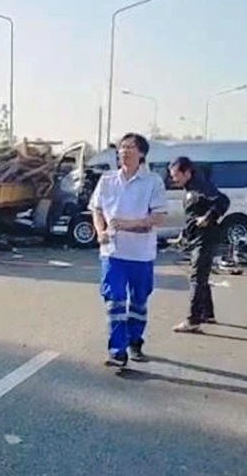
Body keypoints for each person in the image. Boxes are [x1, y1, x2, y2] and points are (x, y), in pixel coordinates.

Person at [88, 132, 168, 367]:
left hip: (141, 254)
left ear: (141, 153)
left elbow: (158, 217)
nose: (124, 151)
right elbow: (97, 209)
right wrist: (100, 231)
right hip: (113, 252)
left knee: (139, 301)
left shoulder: (153, 182)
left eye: (130, 147)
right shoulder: (107, 180)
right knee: (115, 299)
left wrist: (126, 224)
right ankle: (117, 351)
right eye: (122, 147)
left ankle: (135, 341)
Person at [168, 156, 229, 333]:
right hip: (195, 238)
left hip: (205, 238)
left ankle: (192, 320)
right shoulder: (190, 189)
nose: (174, 179)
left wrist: (209, 217)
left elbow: (223, 201)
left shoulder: (201, 186)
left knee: (197, 278)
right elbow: (192, 215)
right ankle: (207, 313)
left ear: (187, 172)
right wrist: (184, 235)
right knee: (201, 276)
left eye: (176, 175)